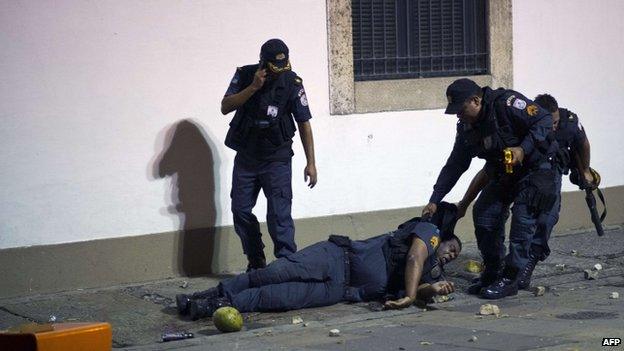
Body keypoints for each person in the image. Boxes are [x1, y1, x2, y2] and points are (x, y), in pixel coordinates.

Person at [175, 203, 462, 319]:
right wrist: (412, 295)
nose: (452, 255)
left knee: (278, 297)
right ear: (444, 237)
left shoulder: (432, 273)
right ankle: (211, 294)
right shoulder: (428, 232)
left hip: (341, 290)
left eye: (455, 256)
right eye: (453, 247)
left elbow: (416, 290)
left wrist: (431, 290)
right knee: (274, 273)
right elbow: (414, 256)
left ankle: (211, 307)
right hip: (337, 258)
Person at [422, 78, 557, 299]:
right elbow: (456, 164)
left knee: (523, 222)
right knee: (484, 213)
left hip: (536, 169)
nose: (458, 115)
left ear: (476, 100)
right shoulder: (467, 127)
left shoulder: (507, 104)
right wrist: (435, 199)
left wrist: (523, 149)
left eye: (461, 109)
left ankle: (511, 278)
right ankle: (493, 271)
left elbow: (542, 118)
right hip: (504, 173)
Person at [455, 94, 597, 291]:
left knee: (546, 219)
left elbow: (583, 144)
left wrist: (586, 171)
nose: (552, 127)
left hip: (552, 172)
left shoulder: (568, 122)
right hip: (526, 171)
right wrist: (464, 203)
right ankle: (501, 269)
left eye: (554, 122)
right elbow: (488, 171)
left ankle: (526, 265)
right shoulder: (524, 128)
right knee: (495, 214)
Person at [221, 39, 317, 271]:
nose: (280, 72)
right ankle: (256, 260)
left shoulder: (292, 82)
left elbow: (304, 123)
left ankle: (286, 266)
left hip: (277, 158)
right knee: (240, 210)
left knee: (279, 215)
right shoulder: (245, 75)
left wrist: (311, 163)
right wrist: (253, 87)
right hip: (247, 157)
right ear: (263, 62)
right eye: (275, 67)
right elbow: (225, 106)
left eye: (283, 66)